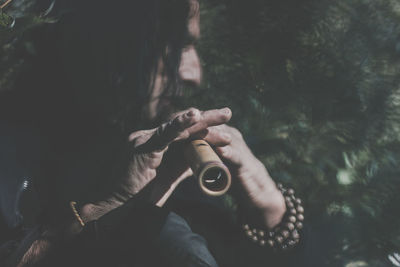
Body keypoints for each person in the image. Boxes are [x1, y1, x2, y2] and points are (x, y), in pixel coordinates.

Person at [0, 0, 319, 266]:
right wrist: (99, 209)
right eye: (177, 44)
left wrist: (269, 206)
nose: (195, 74)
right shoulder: (11, 143)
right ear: (111, 39)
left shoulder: (172, 168)